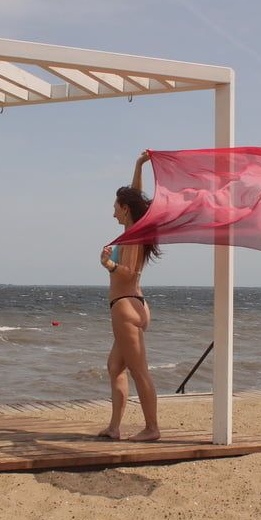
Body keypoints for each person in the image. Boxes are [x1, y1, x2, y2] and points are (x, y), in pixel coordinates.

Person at [98, 151, 162, 441]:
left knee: (139, 372)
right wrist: (139, 165)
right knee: (115, 367)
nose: (112, 212)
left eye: (115, 206)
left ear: (124, 209)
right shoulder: (134, 228)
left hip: (127, 307)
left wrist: (108, 264)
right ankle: (114, 428)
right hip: (129, 306)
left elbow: (130, 272)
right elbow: (137, 196)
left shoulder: (133, 236)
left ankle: (152, 428)